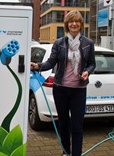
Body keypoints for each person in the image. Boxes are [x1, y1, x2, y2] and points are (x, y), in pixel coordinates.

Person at [31, 10, 95, 156]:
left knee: (77, 127)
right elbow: (51, 62)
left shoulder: (88, 43)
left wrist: (87, 71)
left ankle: (76, 154)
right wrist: (38, 66)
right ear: (67, 25)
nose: (74, 24)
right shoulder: (59, 43)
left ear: (80, 24)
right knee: (64, 124)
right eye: (71, 21)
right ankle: (66, 151)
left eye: (77, 21)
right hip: (60, 90)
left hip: (78, 90)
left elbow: (92, 63)